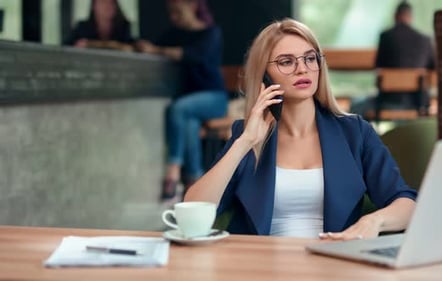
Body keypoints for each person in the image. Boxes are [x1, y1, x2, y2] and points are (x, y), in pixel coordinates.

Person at [184, 18, 417, 240]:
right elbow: (193, 214)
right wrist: (245, 142)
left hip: (333, 264)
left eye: (310, 58)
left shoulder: (355, 132)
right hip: (258, 265)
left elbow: (407, 203)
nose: (302, 69)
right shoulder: (246, 135)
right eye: (286, 62)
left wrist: (374, 222)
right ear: (264, 76)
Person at [135, 0, 228, 200]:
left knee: (178, 109)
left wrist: (155, 50)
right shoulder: (174, 34)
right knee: (189, 124)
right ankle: (195, 180)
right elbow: (152, 46)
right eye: (171, 12)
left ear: (193, 6)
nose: (174, 17)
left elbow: (192, 55)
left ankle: (173, 169)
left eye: (178, 11)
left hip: (214, 98)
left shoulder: (211, 33)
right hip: (191, 105)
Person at [351, 1, 435, 118]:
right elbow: (433, 67)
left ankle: (368, 136)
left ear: (395, 16)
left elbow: (378, 65)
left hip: (387, 101)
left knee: (355, 105)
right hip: (417, 103)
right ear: (410, 17)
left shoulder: (386, 37)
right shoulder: (425, 40)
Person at [64, 0, 134, 51]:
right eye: (103, 2)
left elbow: (129, 48)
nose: (108, 6)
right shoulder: (82, 27)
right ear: (94, 6)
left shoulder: (124, 26)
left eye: (111, 3)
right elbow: (65, 48)